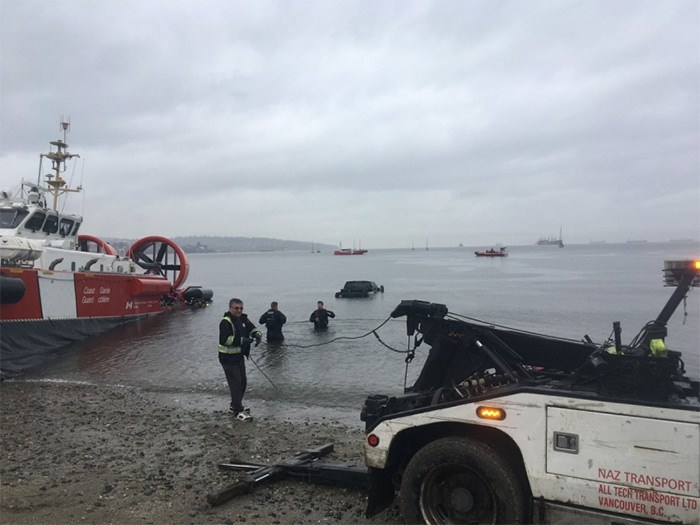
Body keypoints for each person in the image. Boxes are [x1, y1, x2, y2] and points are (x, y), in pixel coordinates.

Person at [218, 298, 262, 422]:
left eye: (241, 308)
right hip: (227, 358)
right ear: (230, 308)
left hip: (239, 357)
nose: (239, 310)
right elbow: (225, 340)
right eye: (236, 308)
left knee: (243, 382)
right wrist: (243, 340)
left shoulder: (243, 319)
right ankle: (238, 411)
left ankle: (235, 405)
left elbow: (252, 328)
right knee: (236, 383)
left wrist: (257, 334)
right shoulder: (225, 322)